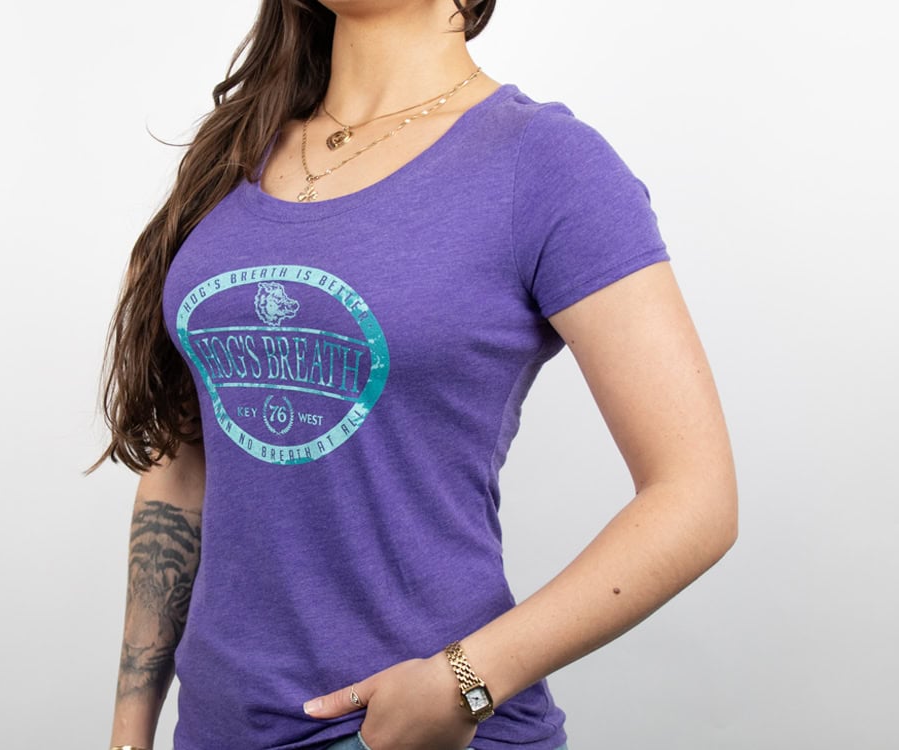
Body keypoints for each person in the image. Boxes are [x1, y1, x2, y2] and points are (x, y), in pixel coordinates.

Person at [86, 1, 738, 749]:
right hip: (215, 730)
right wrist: (129, 732)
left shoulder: (546, 163)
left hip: (411, 731)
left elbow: (697, 497)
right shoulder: (232, 159)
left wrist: (465, 681)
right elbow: (184, 465)